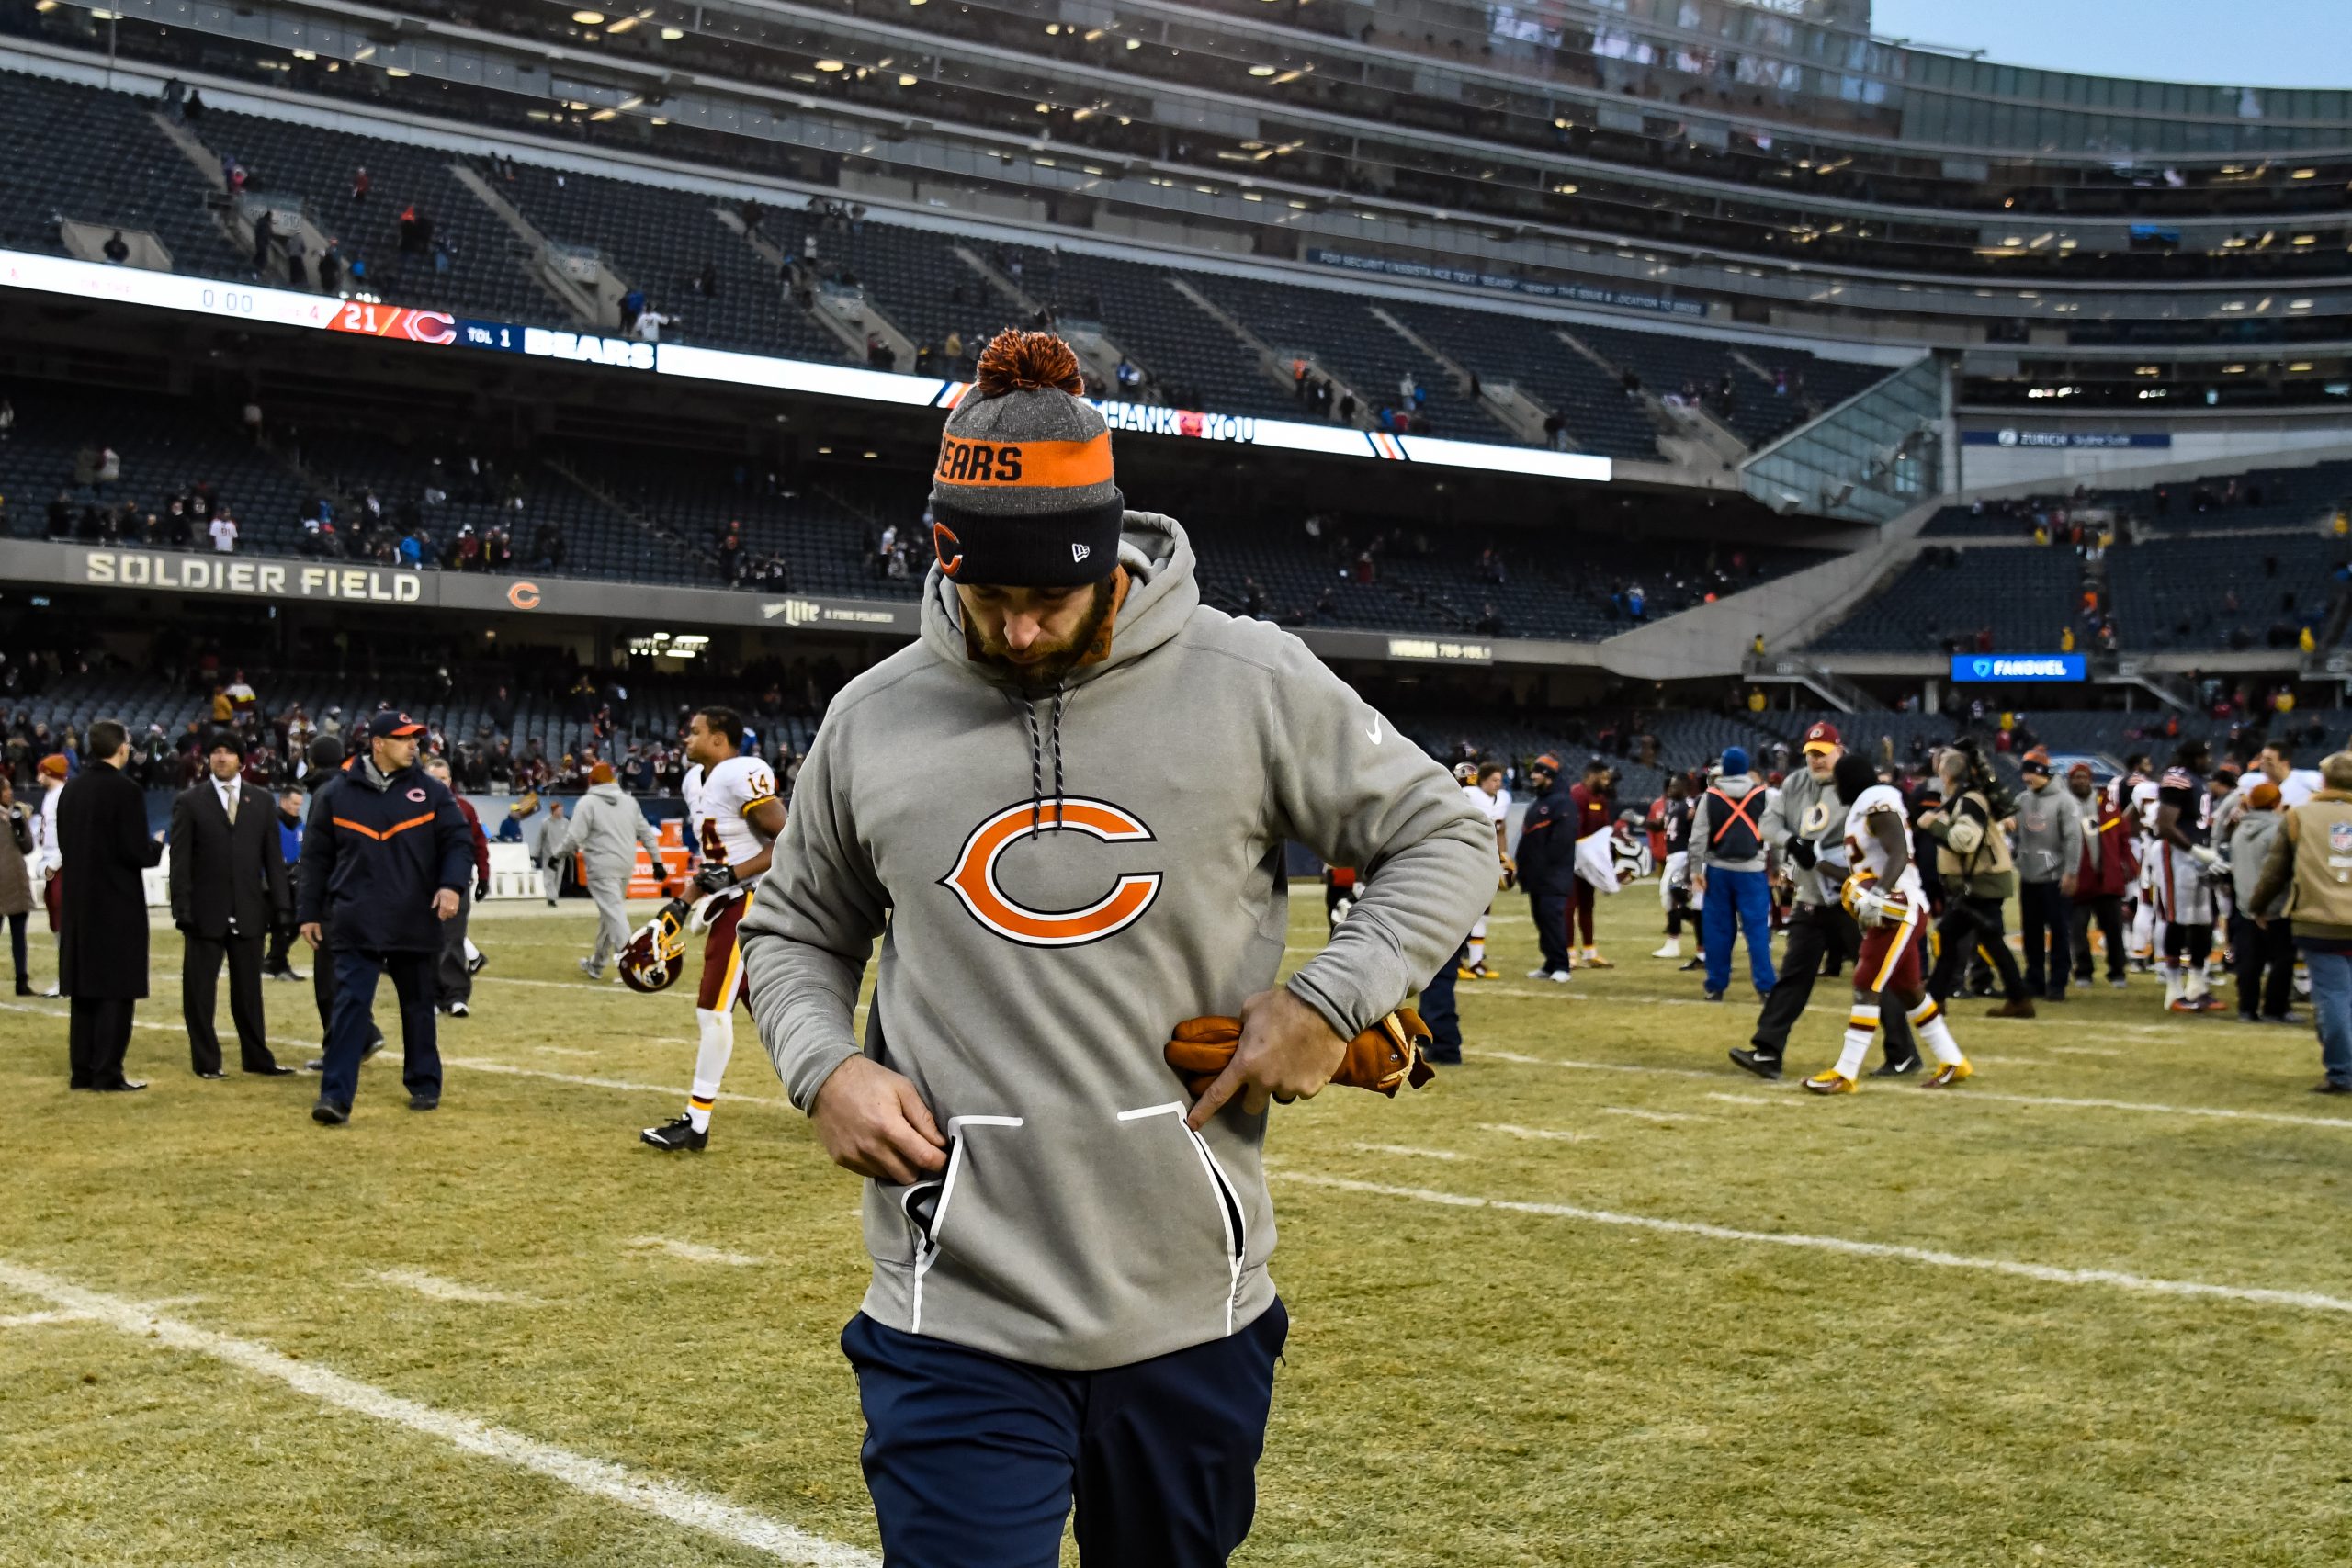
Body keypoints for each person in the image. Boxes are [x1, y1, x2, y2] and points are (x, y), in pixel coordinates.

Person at [737, 328, 1492, 1567]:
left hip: (1190, 1306)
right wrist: (826, 1065)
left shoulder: (1250, 680)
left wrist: (1330, 997)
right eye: (993, 600)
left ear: (1109, 561)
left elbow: (1448, 835)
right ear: (945, 562)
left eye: (1051, 600)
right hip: (953, 1307)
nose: (1022, 633)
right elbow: (796, 924)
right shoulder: (871, 718)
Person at [298, 712, 472, 1123]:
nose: (415, 745)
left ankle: (425, 1083)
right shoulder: (336, 793)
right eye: (405, 738)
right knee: (349, 1008)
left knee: (417, 1006)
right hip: (355, 919)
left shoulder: (432, 793)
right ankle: (335, 1098)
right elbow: (316, 858)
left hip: (414, 916)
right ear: (377, 743)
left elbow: (457, 842)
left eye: (416, 739)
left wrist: (451, 885)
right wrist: (308, 912)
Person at [638, 706, 786, 1152]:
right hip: (726, 899)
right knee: (774, 1017)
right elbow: (713, 864)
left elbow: (791, 839)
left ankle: (696, 1124)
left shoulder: (742, 771)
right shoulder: (692, 782)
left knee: (712, 1011)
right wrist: (680, 905)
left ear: (720, 740)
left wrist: (735, 875)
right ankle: (847, 1092)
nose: (685, 738)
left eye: (695, 732)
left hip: (751, 900)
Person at [1737, 723, 1917, 1079]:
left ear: (1839, 750)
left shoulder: (1855, 785)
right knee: (1793, 975)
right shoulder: (1794, 784)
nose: (1816, 760)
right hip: (1810, 895)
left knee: (1873, 976)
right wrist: (1791, 843)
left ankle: (1903, 1053)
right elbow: (1768, 824)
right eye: (1810, 754)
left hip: (1851, 897)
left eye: (1822, 753)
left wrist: (1824, 858)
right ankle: (1767, 1050)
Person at [1804, 752, 1974, 1094]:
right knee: (1909, 989)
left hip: (1899, 907)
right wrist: (1818, 865)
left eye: (1838, 780)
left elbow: (1898, 853)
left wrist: (1878, 894)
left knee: (1866, 980)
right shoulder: (1865, 806)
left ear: (1849, 780)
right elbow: (1863, 870)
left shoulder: (1876, 800)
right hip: (1892, 906)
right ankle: (1953, 1060)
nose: (1835, 787)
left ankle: (1846, 1071)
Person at [168, 731, 296, 1078]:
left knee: (249, 991)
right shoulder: (190, 801)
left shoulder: (261, 801)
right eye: (215, 752)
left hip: (250, 909)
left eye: (228, 752)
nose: (221, 758)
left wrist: (284, 907)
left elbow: (273, 858)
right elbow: (180, 860)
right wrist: (181, 906)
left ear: (242, 760)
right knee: (199, 992)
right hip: (204, 911)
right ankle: (207, 1062)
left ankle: (257, 1059)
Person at [56, 719, 165, 1091]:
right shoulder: (126, 791)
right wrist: (157, 844)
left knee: (84, 988)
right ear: (121, 747)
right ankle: (107, 1071)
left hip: (79, 902)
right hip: (116, 904)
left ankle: (82, 1070)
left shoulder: (71, 791)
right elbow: (136, 851)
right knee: (117, 990)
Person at [2248, 751, 2352, 1091]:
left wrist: (2258, 905)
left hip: (2318, 920)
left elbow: (2275, 871)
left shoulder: (2299, 817)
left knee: (2333, 998)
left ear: (2324, 781)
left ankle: (2342, 1071)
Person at [1920, 741, 2032, 1018]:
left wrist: (1932, 824)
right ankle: (1937, 997)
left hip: (1982, 881)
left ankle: (2018, 999)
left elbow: (1963, 841)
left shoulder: (1969, 800)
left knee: (1986, 939)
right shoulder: (1968, 796)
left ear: (1946, 774)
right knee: (1955, 935)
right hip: (1982, 880)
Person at [560, 762, 663, 981]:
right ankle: (597, 964)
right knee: (611, 914)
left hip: (600, 865)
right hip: (625, 865)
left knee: (615, 916)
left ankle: (634, 967)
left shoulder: (587, 803)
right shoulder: (630, 802)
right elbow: (646, 833)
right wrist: (657, 862)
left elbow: (574, 838)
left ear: (592, 781)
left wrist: (556, 856)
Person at [1690, 747, 1775, 1002]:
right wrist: (1778, 867)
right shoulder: (1764, 795)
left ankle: (1715, 986)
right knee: (1758, 930)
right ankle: (1766, 987)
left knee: (1717, 930)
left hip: (1719, 871)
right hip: (1753, 871)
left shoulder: (1711, 796)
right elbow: (1775, 834)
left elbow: (1698, 838)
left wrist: (1696, 870)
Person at [2154, 739, 2226, 1014]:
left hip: (2197, 855)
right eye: (2205, 755)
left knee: (2203, 920)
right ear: (2194, 757)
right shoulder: (2177, 778)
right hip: (2178, 855)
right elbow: (2165, 825)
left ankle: (2197, 986)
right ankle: (2173, 990)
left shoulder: (2195, 780)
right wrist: (2195, 849)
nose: (2209, 760)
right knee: (2178, 918)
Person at [2011, 749, 2083, 1005]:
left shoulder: (2065, 802)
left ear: (2043, 774)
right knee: (2031, 932)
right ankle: (2034, 979)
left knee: (2059, 932)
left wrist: (2071, 872)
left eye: (2031, 774)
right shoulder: (2022, 800)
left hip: (2054, 876)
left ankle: (2058, 982)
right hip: (2029, 875)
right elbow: (2012, 824)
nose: (2026, 779)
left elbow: (2074, 838)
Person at [423, 755, 490, 1018]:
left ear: (450, 780)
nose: (438, 783)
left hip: (456, 883)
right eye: (433, 779)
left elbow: (478, 844)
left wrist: (483, 876)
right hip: (423, 884)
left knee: (453, 940)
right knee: (426, 942)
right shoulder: (413, 807)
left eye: (443, 779)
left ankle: (457, 996)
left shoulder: (464, 808)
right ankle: (431, 995)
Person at [2229, 782, 2298, 1024]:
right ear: (2275, 803)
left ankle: (2247, 1008)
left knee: (2249, 961)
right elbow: (2280, 872)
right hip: (2275, 905)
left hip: (2245, 905)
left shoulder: (2239, 831)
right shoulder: (2280, 829)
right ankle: (2275, 1008)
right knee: (2283, 959)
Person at [2068, 763, 2132, 989]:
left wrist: (2128, 864)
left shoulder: (2108, 805)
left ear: (2091, 779)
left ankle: (2117, 971)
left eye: (2084, 776)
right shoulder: (2065, 806)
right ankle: (2083, 971)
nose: (2081, 781)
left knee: (2114, 928)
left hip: (2107, 878)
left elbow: (2123, 837)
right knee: (2077, 929)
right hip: (2079, 879)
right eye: (2076, 777)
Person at [1513, 753, 1576, 982]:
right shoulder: (1541, 801)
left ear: (1548, 775)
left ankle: (1562, 965)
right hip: (1538, 876)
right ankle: (1550, 963)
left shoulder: (1562, 802)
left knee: (1552, 919)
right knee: (1542, 919)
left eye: (1537, 772)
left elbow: (1562, 841)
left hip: (1554, 875)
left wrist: (1543, 865)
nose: (1533, 776)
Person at [1454, 761, 1510, 981]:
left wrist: (1504, 856)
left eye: (1500, 780)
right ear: (1482, 780)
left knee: (1483, 911)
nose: (1498, 784)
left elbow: (1501, 829)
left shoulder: (1504, 799)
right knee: (1460, 911)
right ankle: (1455, 961)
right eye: (1494, 780)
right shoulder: (1468, 795)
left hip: (1487, 860)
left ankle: (1476, 962)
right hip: (1466, 858)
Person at [1566, 759, 1615, 967]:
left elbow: (1604, 828)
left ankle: (1589, 951)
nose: (1606, 781)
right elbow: (1574, 828)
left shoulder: (1600, 798)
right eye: (1602, 777)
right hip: (1573, 857)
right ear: (1590, 776)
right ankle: (1568, 952)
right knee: (1570, 905)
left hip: (1590, 858)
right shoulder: (1577, 795)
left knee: (1588, 904)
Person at [265, 787, 308, 981]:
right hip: (272, 882)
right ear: (283, 801)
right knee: (280, 923)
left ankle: (274, 960)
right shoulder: (270, 824)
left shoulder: (300, 826)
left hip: (294, 882)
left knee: (296, 923)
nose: (298, 808)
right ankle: (277, 963)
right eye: (294, 803)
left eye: (300, 804)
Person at [0, 775, 34, 996]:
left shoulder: (16, 813)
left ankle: (22, 980)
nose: (10, 793)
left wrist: (20, 826)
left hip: (16, 879)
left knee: (19, 936)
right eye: (5, 789)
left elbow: (28, 847)